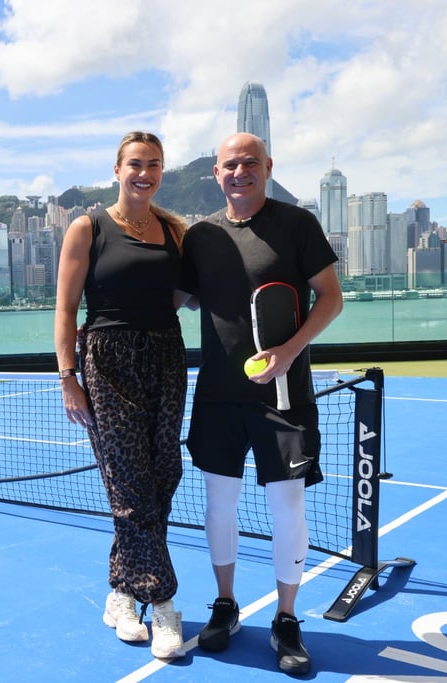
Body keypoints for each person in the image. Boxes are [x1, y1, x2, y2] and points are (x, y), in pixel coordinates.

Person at [175, 132, 343, 675]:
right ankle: (225, 607)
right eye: (230, 164)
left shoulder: (297, 225)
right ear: (216, 174)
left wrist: (289, 352)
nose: (240, 171)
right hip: (218, 397)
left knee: (286, 506)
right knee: (219, 504)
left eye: (251, 162)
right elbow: (181, 297)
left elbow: (331, 297)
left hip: (283, 396)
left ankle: (286, 619)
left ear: (268, 166)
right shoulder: (200, 235)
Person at [54, 131, 189, 659]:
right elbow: (66, 309)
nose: (144, 173)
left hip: (165, 357)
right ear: (117, 170)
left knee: (161, 476)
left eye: (154, 165)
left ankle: (119, 591)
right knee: (130, 484)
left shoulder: (175, 232)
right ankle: (163, 604)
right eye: (135, 163)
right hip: (106, 360)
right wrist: (69, 377)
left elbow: (180, 296)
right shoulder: (88, 228)